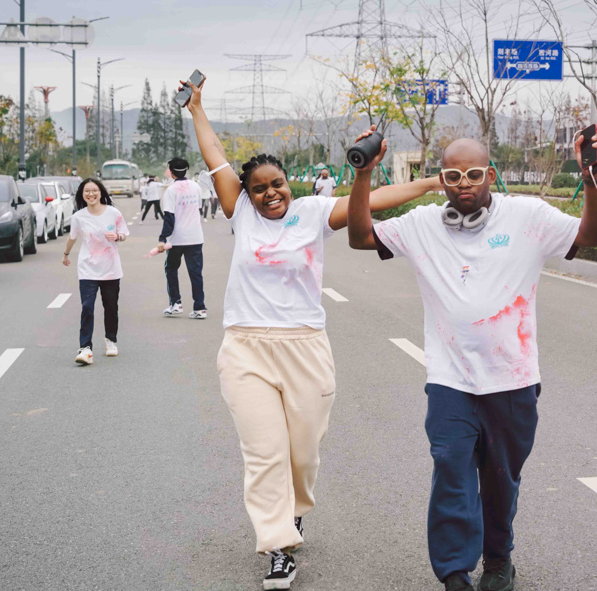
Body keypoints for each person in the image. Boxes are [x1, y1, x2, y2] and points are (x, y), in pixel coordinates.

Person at [181, 75, 442, 590]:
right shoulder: (241, 215)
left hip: (306, 348)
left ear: (289, 184)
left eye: (276, 184)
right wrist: (197, 109)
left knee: (302, 454)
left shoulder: (313, 213)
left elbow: (380, 197)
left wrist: (431, 184)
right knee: (265, 453)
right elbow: (215, 155)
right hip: (247, 349)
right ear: (246, 195)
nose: (270, 193)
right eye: (259, 189)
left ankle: (292, 515)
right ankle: (277, 545)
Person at [345, 129, 597, 591]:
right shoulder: (423, 223)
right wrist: (363, 175)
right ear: (441, 180)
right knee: (451, 469)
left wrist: (591, 181)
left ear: (490, 175)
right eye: (452, 175)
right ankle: (453, 573)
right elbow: (361, 236)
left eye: (472, 174)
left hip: (513, 379)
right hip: (451, 380)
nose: (463, 183)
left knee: (501, 480)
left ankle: (498, 560)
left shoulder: (528, 216)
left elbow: (591, 236)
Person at [62, 178, 129, 365]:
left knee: (111, 307)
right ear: (82, 195)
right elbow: (72, 238)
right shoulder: (78, 216)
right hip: (87, 269)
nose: (91, 194)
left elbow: (124, 234)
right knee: (87, 307)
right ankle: (85, 348)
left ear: (100, 192)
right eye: (86, 191)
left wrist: (117, 236)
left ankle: (111, 340)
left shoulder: (113, 213)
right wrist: (65, 254)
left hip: (111, 269)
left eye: (94, 191)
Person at [157, 157, 207, 319]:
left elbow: (169, 217)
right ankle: (200, 308)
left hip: (177, 239)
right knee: (196, 273)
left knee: (171, 269)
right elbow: (198, 208)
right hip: (195, 236)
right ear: (186, 170)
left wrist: (162, 239)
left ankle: (176, 303)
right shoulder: (196, 186)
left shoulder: (171, 190)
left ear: (171, 172)